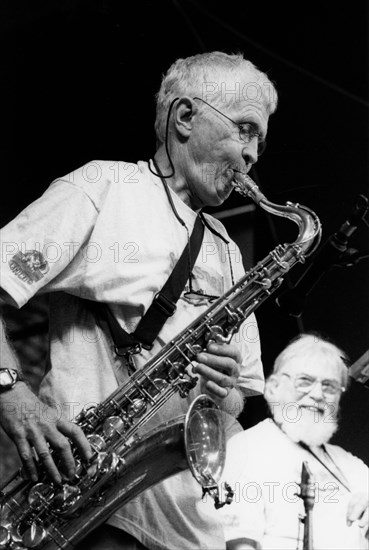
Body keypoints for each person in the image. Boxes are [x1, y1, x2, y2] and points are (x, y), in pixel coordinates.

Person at [0, 51, 278, 549]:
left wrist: (223, 388)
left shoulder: (230, 252)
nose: (254, 154)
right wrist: (12, 395)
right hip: (93, 511)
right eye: (244, 129)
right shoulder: (103, 188)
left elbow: (236, 404)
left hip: (194, 529)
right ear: (186, 117)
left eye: (260, 138)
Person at [217, 333, 369, 550]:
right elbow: (239, 544)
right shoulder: (247, 448)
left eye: (329, 386)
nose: (317, 394)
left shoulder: (353, 466)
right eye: (305, 381)